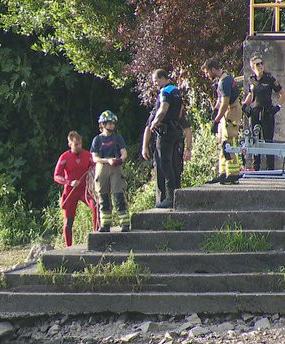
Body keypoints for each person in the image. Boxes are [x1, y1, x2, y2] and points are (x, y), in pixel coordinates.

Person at [141, 69, 193, 208]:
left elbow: (163, 109)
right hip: (176, 132)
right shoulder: (177, 92)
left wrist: (154, 123)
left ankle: (170, 197)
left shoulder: (165, 92)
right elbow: (181, 113)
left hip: (165, 133)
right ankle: (178, 194)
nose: (155, 84)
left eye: (156, 80)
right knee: (175, 164)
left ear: (163, 78)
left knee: (165, 163)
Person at [53, 130, 99, 246]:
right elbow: (57, 176)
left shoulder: (88, 155)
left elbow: (96, 168)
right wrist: (69, 182)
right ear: (70, 144)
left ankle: (97, 238)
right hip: (71, 191)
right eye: (75, 145)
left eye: (80, 144)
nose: (78, 147)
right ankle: (68, 246)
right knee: (69, 220)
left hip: (85, 189)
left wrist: (92, 175)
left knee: (96, 206)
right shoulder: (64, 157)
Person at [242, 55, 285, 171]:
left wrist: (278, 106)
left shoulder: (269, 78)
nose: (260, 66)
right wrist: (244, 105)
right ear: (252, 67)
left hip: (267, 112)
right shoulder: (252, 79)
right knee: (255, 139)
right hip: (256, 112)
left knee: (268, 140)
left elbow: (282, 93)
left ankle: (270, 168)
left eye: (261, 63)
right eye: (257, 64)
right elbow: (251, 95)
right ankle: (256, 167)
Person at [202, 59, 242, 185]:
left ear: (213, 69)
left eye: (207, 72)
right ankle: (223, 173)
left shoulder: (225, 81)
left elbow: (225, 104)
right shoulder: (221, 80)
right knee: (221, 142)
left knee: (229, 142)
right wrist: (215, 111)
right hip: (226, 113)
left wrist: (216, 120)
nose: (207, 75)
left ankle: (233, 174)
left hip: (231, 112)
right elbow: (220, 101)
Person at [90, 110, 130, 232]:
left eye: (113, 123)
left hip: (116, 168)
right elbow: (94, 157)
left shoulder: (117, 138)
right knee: (103, 196)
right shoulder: (97, 140)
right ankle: (105, 224)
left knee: (118, 194)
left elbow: (124, 154)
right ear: (103, 124)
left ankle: (124, 223)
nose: (112, 125)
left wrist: (118, 160)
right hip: (102, 167)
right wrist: (107, 161)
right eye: (109, 123)